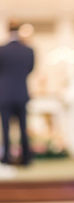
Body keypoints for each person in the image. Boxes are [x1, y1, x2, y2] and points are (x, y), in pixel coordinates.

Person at [0, 20, 34, 165]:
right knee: (23, 127)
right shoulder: (28, 50)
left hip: (5, 94)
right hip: (21, 93)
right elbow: (30, 69)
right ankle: (25, 158)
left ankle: (7, 157)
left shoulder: (2, 50)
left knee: (6, 128)